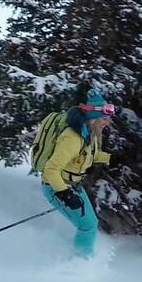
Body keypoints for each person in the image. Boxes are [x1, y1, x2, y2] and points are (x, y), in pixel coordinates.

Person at [41, 89, 115, 258]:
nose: (107, 123)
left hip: (72, 186)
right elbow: (51, 170)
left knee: (91, 223)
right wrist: (64, 194)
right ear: (93, 118)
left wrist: (110, 158)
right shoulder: (73, 138)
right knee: (87, 226)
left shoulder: (88, 134)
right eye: (104, 119)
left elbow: (89, 155)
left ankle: (81, 258)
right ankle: (79, 264)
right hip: (57, 187)